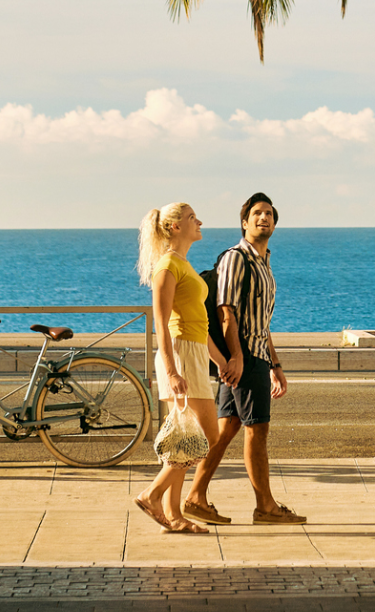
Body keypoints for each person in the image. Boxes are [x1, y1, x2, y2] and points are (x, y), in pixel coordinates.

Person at [183, 192, 305, 525]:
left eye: (268, 214)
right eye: (256, 214)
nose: (263, 218)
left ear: (275, 224)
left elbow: (261, 321)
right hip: (245, 357)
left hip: (256, 355)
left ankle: (195, 497)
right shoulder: (237, 258)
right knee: (257, 430)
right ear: (244, 222)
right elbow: (227, 311)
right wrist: (236, 357)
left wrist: (275, 364)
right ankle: (265, 507)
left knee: (228, 428)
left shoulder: (263, 262)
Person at [131, 202, 231, 534]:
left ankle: (173, 516)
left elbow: (199, 324)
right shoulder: (167, 267)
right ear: (175, 227)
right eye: (192, 218)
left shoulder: (182, 264)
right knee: (207, 435)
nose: (199, 221)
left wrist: (219, 360)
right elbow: (160, 322)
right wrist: (173, 371)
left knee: (185, 438)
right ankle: (152, 493)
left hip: (195, 352)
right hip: (181, 354)